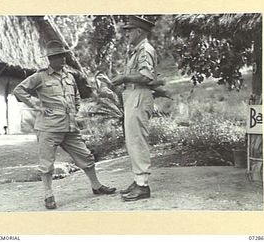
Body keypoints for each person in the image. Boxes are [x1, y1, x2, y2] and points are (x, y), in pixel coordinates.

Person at [13, 40, 116, 209]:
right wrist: (37, 105)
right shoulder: (40, 76)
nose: (63, 59)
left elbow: (76, 96)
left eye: (63, 55)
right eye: (58, 56)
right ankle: (48, 195)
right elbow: (19, 90)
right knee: (47, 164)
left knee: (86, 156)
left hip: (69, 126)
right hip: (48, 127)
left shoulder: (69, 77)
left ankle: (96, 186)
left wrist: (75, 111)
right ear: (51, 59)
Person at [111, 15, 158, 201]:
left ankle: (143, 186)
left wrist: (124, 78)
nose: (127, 34)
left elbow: (147, 77)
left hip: (139, 95)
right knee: (132, 140)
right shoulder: (137, 51)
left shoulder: (144, 50)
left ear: (140, 31)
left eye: (129, 30)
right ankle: (138, 180)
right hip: (133, 96)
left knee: (137, 141)